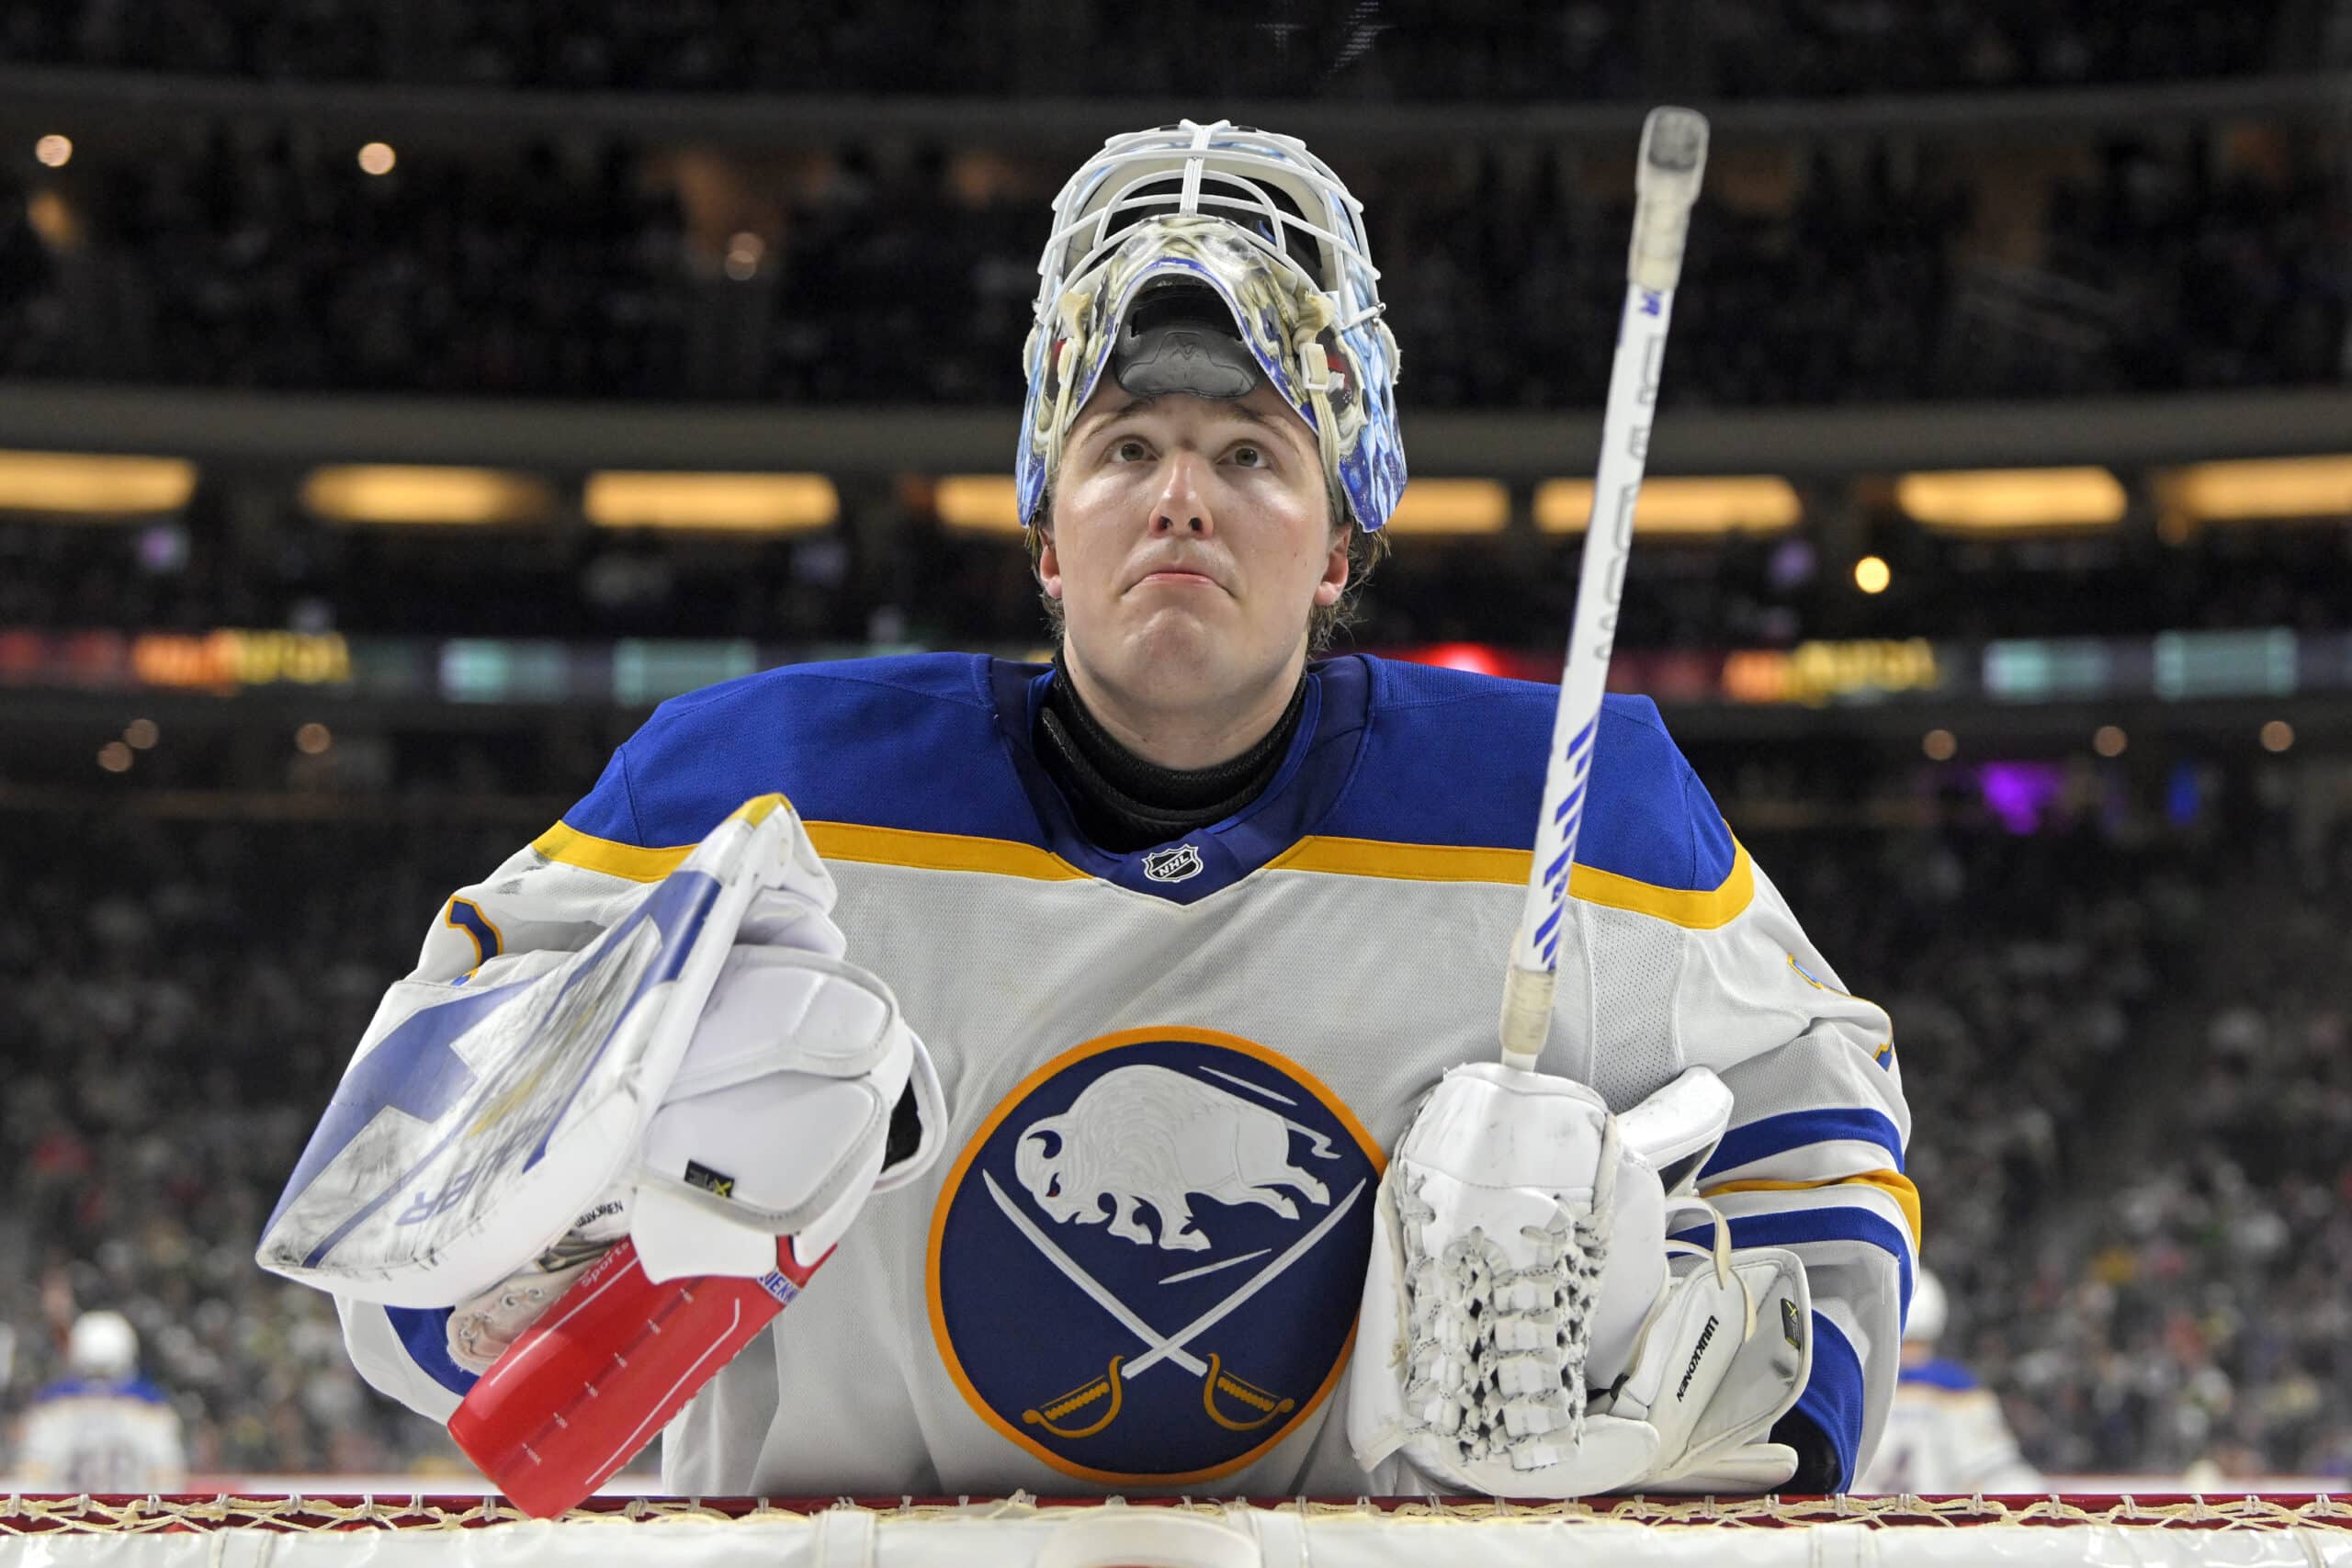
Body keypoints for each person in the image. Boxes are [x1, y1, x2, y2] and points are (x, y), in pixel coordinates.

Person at [293, 119, 1914, 1497]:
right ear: (1047, 536)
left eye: (1252, 455)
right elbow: (397, 1241)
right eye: (1126, 446)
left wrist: (1697, 1372)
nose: (1182, 497)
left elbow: (1822, 1146)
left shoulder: (1583, 806)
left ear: (1341, 546)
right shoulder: (751, 797)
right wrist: (611, 1214)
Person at [1854, 1269, 2042, 1494]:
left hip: (1859, 1515)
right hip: (1935, 1514)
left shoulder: (1855, 1386)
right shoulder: (1955, 1387)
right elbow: (2001, 1476)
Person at [14, 1311, 187, 1492]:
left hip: (68, 1510)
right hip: (131, 1509)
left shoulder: (52, 1408)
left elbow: (32, 1480)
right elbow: (168, 1479)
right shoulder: (150, 1408)